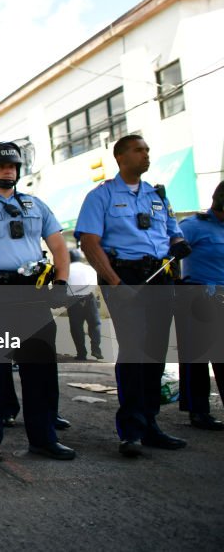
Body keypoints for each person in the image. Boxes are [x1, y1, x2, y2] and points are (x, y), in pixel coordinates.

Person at [0, 142, 76, 463]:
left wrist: (61, 281)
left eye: (13, 165)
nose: (9, 170)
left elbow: (59, 247)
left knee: (42, 374)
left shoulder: (36, 205)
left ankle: (44, 438)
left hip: (33, 298)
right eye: (2, 165)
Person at [76, 134, 191, 457]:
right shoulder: (102, 196)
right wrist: (114, 283)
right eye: (139, 150)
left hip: (159, 276)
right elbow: (89, 242)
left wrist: (178, 243)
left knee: (155, 351)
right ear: (120, 158)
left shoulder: (156, 195)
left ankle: (150, 423)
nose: (146, 155)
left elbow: (173, 230)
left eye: (147, 150)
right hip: (124, 277)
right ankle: (130, 430)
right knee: (134, 350)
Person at [176, 180, 224, 430]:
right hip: (198, 296)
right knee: (197, 358)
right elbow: (169, 253)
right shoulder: (193, 226)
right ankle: (198, 411)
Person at [66, 248, 103, 360]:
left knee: (76, 328)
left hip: (73, 302)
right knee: (95, 324)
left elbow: (61, 287)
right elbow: (95, 284)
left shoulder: (65, 269)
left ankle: (81, 354)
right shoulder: (89, 268)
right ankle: (96, 349)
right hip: (90, 299)